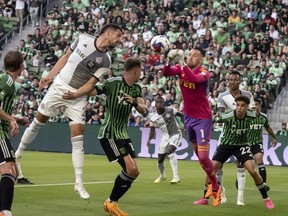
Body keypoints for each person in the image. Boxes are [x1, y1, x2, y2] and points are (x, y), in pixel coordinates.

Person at [14, 23, 123, 199]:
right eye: (118, 36)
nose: (120, 40)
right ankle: (17, 155)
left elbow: (91, 84)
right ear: (108, 34)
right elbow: (65, 58)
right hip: (59, 86)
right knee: (37, 123)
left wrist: (76, 94)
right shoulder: (82, 39)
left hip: (77, 96)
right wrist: (49, 76)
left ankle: (79, 182)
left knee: (78, 138)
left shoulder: (106, 61)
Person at [64, 57, 147, 216]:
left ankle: (112, 202)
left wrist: (134, 103)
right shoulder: (113, 83)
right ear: (136, 71)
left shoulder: (136, 88)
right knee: (130, 168)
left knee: (135, 172)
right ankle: (111, 202)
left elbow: (144, 110)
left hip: (123, 134)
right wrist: (76, 92)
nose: (141, 74)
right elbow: (93, 90)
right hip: (110, 134)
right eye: (140, 71)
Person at [162, 48, 221, 207]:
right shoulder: (181, 69)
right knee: (200, 159)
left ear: (201, 60)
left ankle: (215, 186)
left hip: (203, 119)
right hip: (188, 117)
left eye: (195, 55)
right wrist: (168, 60)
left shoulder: (204, 73)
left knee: (203, 157)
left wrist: (181, 64)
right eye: (190, 54)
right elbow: (165, 73)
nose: (191, 57)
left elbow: (193, 80)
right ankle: (210, 190)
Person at [209, 95, 274, 209]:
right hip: (226, 144)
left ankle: (266, 198)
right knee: (212, 169)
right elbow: (214, 119)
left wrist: (273, 137)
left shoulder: (253, 116)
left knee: (252, 171)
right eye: (237, 105)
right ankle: (216, 191)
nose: (239, 108)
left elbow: (264, 123)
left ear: (247, 107)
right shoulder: (227, 116)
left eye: (242, 106)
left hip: (241, 146)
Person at [214, 70, 256, 206]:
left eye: (235, 79)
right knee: (218, 166)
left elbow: (254, 113)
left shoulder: (248, 95)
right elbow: (220, 114)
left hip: (244, 134)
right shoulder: (223, 96)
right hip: (226, 135)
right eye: (230, 80)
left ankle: (240, 198)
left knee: (242, 164)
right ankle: (221, 191)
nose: (232, 82)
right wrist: (224, 116)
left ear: (240, 81)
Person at [0, 51, 30, 216]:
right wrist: (12, 120)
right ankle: (4, 212)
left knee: (12, 171)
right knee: (10, 171)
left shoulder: (7, 80)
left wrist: (15, 119)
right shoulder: (7, 81)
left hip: (2, 130)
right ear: (21, 66)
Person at [147, 96, 182, 184]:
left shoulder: (170, 110)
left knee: (170, 151)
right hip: (165, 137)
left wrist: (185, 126)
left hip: (175, 134)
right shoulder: (153, 117)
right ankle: (162, 175)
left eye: (162, 102)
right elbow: (152, 130)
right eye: (158, 102)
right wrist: (149, 139)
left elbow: (182, 115)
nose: (161, 104)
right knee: (160, 159)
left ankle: (176, 177)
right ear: (155, 104)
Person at [249, 98, 277, 192]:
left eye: (257, 105)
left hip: (257, 142)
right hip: (246, 143)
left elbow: (268, 128)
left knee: (259, 159)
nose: (255, 107)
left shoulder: (263, 117)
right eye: (253, 105)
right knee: (242, 164)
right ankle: (239, 179)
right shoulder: (246, 117)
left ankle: (263, 184)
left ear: (259, 106)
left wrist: (274, 137)